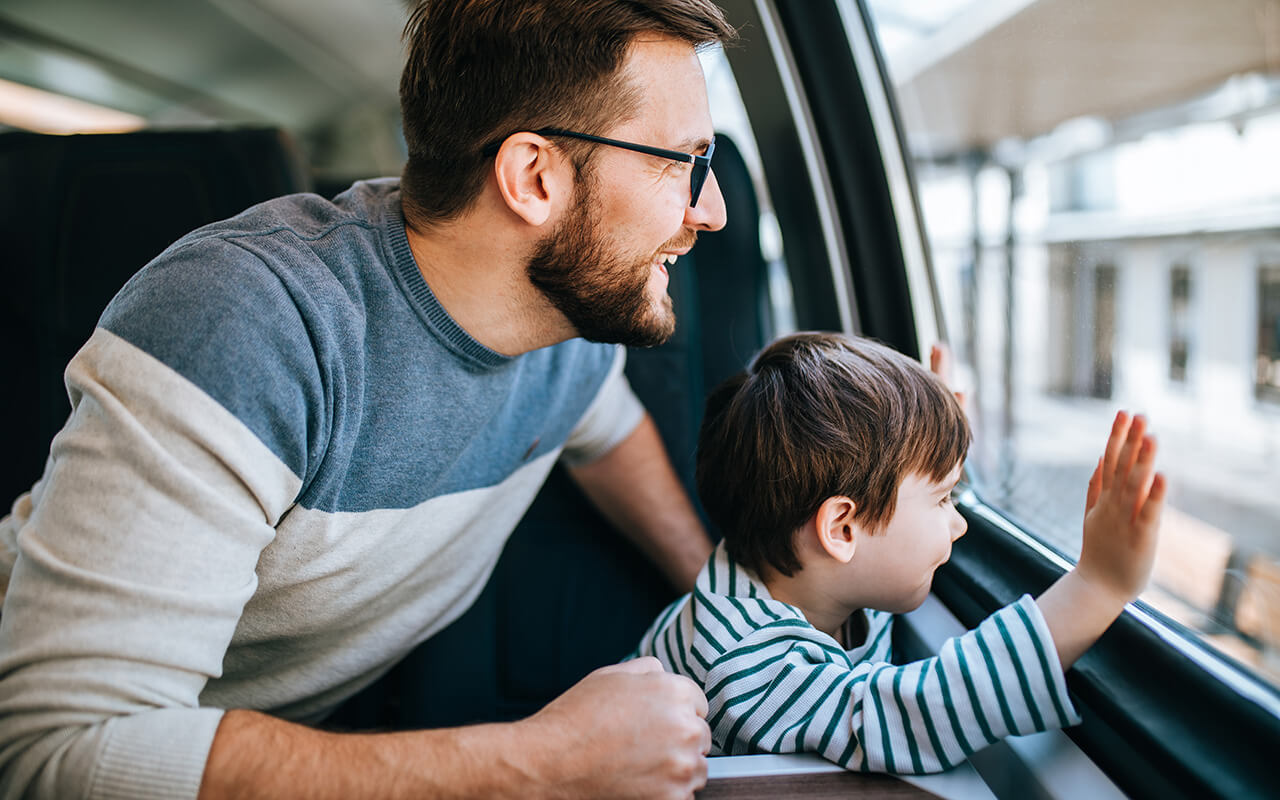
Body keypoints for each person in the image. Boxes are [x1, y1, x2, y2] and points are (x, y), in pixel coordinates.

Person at [0, 1, 739, 798]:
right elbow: (60, 755)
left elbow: (607, 429)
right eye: (684, 162)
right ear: (534, 177)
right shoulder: (247, 325)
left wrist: (721, 608)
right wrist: (543, 762)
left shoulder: (568, 328)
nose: (712, 210)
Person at [635, 332, 1166, 773]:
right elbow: (919, 713)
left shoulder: (801, 569)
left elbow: (888, 529)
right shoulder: (751, 668)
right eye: (942, 498)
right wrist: (1098, 585)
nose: (959, 524)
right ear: (842, 528)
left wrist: (929, 445)